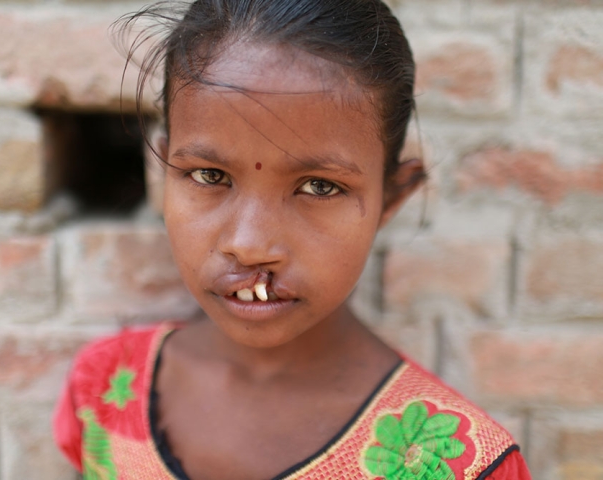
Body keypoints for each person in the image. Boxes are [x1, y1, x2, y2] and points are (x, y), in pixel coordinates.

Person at [53, 1, 533, 478]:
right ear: (162, 175)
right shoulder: (104, 387)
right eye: (208, 174)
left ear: (392, 198)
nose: (249, 244)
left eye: (320, 187)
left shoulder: (461, 466)